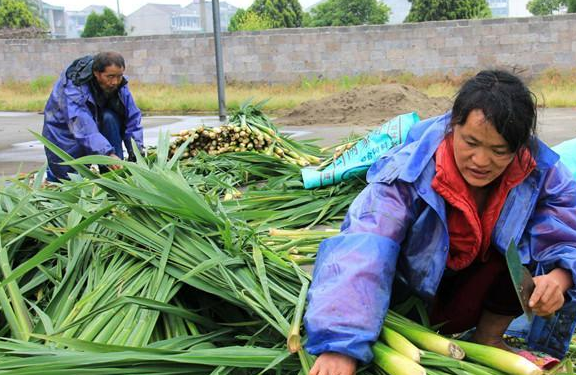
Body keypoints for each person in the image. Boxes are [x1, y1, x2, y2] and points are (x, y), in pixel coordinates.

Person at [304, 70, 576, 375]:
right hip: (409, 297)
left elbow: (568, 224)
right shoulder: (407, 172)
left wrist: (561, 277)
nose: (481, 161)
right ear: (452, 126)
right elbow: (364, 245)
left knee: (518, 248)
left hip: (473, 290)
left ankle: (489, 338)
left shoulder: (538, 168)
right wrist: (340, 345)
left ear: (519, 146)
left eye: (499, 151)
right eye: (470, 142)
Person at [42, 51, 143, 182]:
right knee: (66, 176)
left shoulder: (119, 84)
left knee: (109, 118)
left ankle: (114, 180)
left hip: (96, 124)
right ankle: (52, 184)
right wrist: (107, 154)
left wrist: (136, 151)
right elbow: (83, 126)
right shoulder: (74, 87)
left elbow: (132, 118)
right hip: (65, 130)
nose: (115, 82)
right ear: (96, 73)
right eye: (110, 77)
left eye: (119, 76)